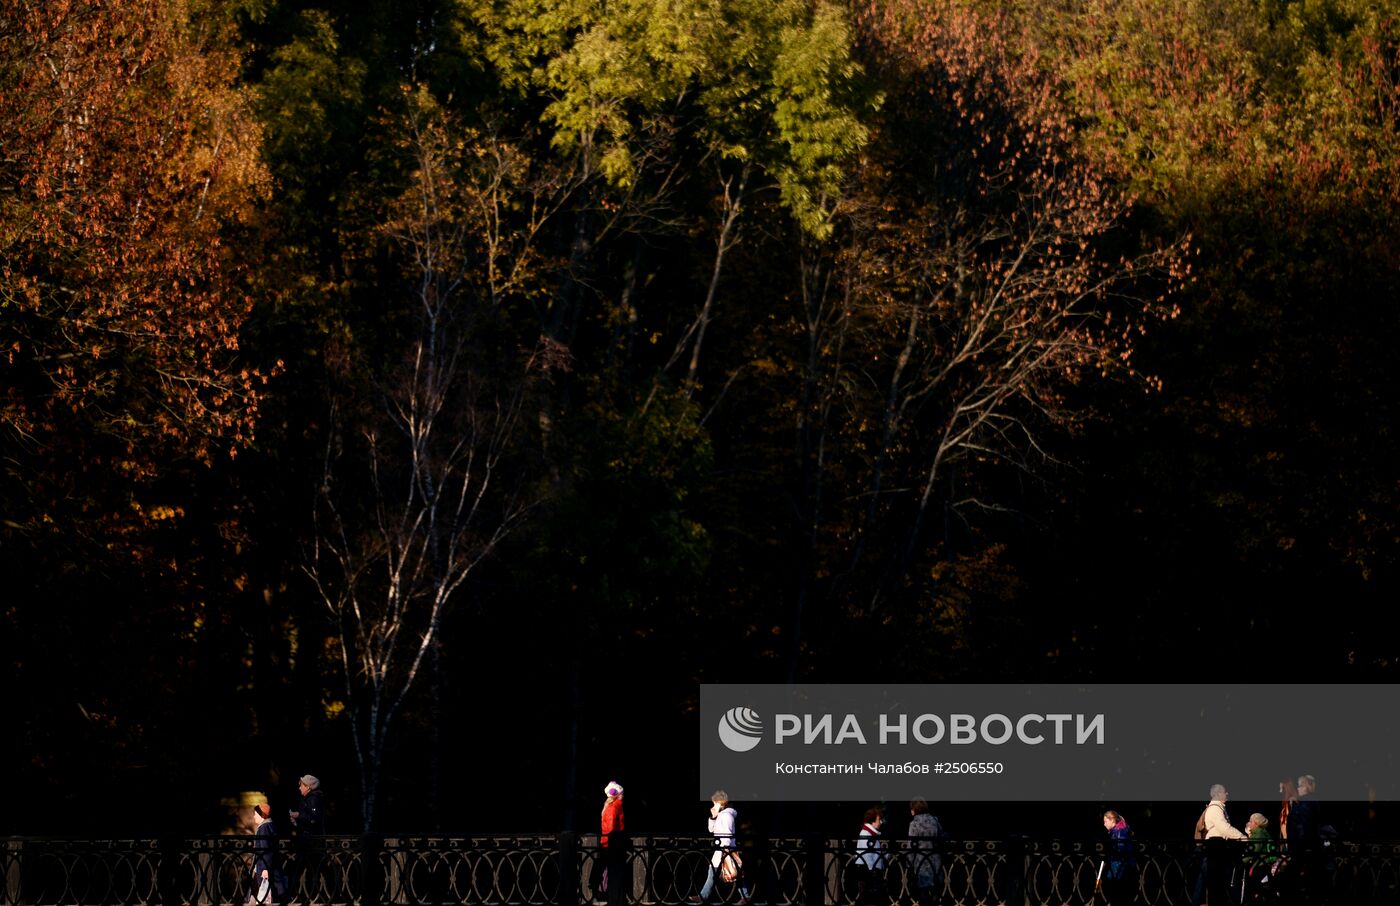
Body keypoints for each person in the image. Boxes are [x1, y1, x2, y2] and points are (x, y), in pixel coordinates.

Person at [688, 790, 751, 905]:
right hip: (721, 850)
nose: (713, 805)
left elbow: (727, 833)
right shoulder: (721, 815)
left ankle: (745, 897)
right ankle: (703, 896)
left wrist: (725, 850)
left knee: (735, 873)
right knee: (715, 872)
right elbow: (711, 830)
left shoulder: (727, 815)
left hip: (726, 849)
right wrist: (713, 816)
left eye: (714, 803)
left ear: (720, 802)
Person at [1202, 784, 1247, 906]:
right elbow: (1224, 828)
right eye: (1225, 792)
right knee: (1216, 881)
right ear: (1217, 794)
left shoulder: (1220, 807)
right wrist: (1243, 838)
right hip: (1216, 846)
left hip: (1218, 846)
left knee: (1217, 881)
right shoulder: (1215, 809)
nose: (1227, 794)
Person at [907, 799, 943, 906]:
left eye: (911, 809)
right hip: (936, 862)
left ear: (915, 809)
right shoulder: (935, 820)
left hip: (921, 863)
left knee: (923, 896)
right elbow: (942, 837)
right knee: (935, 895)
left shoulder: (914, 824)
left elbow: (911, 846)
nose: (910, 811)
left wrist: (908, 864)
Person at [250, 802, 287, 905]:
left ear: (261, 815)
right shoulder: (270, 825)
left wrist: (265, 868)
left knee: (266, 893)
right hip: (268, 865)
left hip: (264, 865)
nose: (253, 816)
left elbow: (265, 849)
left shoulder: (263, 828)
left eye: (255, 814)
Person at [1240, 813, 1279, 904]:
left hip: (1261, 865)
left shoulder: (1258, 833)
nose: (1249, 823)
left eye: (1251, 821)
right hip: (1263, 863)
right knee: (1262, 888)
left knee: (1258, 889)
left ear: (1256, 823)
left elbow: (1254, 850)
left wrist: (1242, 860)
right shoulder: (1261, 832)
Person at [1099, 810, 1136, 905]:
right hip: (1119, 865)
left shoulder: (1119, 832)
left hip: (1120, 866)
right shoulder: (1118, 830)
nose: (1104, 824)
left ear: (1112, 820)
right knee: (1116, 890)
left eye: (1105, 821)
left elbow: (1120, 850)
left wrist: (1109, 853)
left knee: (1115, 889)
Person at [598, 781, 626, 899]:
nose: (623, 794)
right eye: (622, 793)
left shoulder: (616, 806)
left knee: (611, 870)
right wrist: (614, 840)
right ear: (616, 794)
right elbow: (610, 828)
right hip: (611, 844)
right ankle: (607, 894)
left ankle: (610, 894)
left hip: (613, 843)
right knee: (611, 870)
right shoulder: (613, 807)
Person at [853, 807, 885, 906]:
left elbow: (874, 853)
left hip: (870, 872)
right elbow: (867, 856)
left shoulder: (872, 834)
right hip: (868, 872)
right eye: (879, 820)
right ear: (873, 821)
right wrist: (873, 872)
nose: (881, 822)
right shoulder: (866, 834)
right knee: (866, 898)